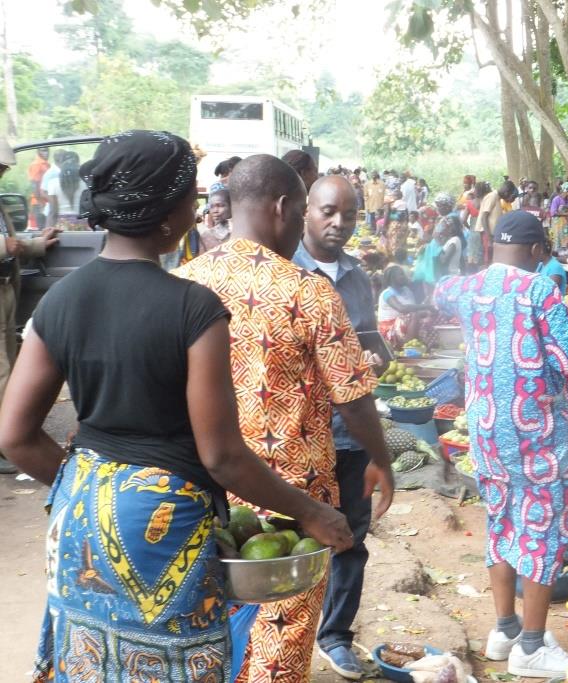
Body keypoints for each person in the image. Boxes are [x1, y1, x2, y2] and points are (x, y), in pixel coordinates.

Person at [0, 130, 355, 682]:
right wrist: (311, 512)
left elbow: (15, 435)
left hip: (78, 514)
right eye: (191, 198)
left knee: (91, 660)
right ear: (168, 216)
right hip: (165, 522)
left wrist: (93, 488)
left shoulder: (62, 300)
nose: (197, 210)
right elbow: (222, 457)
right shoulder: (193, 307)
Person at [175, 154, 391, 683]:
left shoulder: (183, 283)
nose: (301, 227)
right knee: (284, 632)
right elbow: (353, 396)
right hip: (293, 501)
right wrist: (383, 461)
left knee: (211, 621)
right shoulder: (309, 291)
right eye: (300, 213)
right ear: (281, 207)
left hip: (206, 486)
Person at [434, 211, 568, 678]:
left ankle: (504, 629)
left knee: (502, 521)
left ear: (492, 246)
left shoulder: (469, 287)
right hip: (537, 435)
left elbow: (438, 291)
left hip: (485, 431)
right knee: (541, 530)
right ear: (539, 252)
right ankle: (532, 647)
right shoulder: (541, 290)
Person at [291, 175, 393, 678]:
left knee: (351, 537)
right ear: (306, 210)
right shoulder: (285, 271)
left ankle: (334, 635)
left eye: (349, 215)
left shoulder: (357, 276)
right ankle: (281, 641)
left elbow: (373, 342)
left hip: (351, 433)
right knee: (290, 535)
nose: (338, 224)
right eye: (329, 212)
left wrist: (377, 359)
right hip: (296, 435)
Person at [0, 140, 60, 474]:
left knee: (10, 357)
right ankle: (10, 441)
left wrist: (36, 244)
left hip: (7, 287)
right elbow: (6, 244)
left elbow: (12, 244)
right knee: (3, 370)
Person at [378, 264, 434, 347]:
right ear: (393, 278)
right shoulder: (387, 293)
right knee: (414, 315)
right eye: (401, 274)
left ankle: (424, 344)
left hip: (403, 324)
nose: (404, 276)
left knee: (428, 315)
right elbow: (402, 309)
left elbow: (415, 309)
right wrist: (426, 306)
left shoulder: (407, 291)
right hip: (389, 328)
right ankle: (408, 346)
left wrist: (428, 311)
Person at [46, 150, 88, 230]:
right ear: (78, 165)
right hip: (82, 225)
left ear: (61, 165)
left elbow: (53, 212)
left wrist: (48, 230)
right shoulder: (85, 183)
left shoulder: (53, 183)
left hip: (62, 227)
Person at [199, 188, 232, 253]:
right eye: (212, 207)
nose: (215, 211)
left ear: (231, 206)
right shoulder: (206, 236)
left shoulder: (242, 233)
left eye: (220, 206)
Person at [28, 148, 50, 229]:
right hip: (39, 203)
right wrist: (40, 203)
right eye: (43, 150)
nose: (46, 153)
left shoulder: (46, 164)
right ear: (38, 152)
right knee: (42, 230)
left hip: (46, 201)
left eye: (47, 150)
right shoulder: (36, 164)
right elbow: (34, 184)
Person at [549, 182, 568, 248]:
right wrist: (565, 214)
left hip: (566, 224)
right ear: (566, 191)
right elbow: (553, 212)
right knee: (558, 242)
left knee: (566, 241)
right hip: (558, 224)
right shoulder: (556, 199)